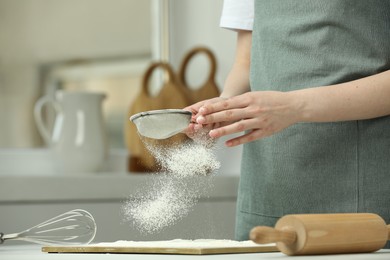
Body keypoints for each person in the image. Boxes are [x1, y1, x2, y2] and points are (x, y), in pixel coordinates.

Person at [185, 0, 390, 248]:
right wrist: (222, 108)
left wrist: (294, 106)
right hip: (269, 185)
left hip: (361, 188)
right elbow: (245, 64)